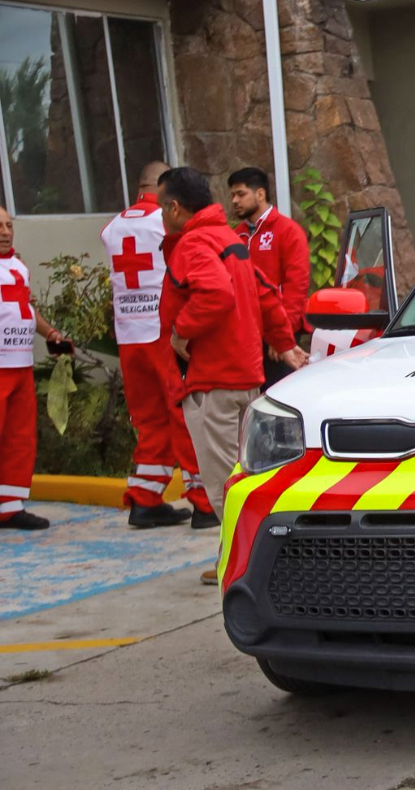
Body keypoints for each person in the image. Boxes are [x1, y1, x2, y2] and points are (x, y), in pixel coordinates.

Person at [156, 168, 308, 584]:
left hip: (212, 382)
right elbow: (265, 295)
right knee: (246, 476)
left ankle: (253, 569)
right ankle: (233, 556)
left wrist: (180, 332)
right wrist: (285, 343)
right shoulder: (229, 239)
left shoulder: (195, 243)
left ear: (174, 207)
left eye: (161, 207)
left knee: (226, 484)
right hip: (245, 378)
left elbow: (216, 294)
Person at [101, 162, 218, 529]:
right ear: (161, 189)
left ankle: (145, 498)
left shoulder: (112, 227)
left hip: (128, 337)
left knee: (150, 421)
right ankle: (203, 502)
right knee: (185, 417)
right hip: (161, 334)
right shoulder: (167, 220)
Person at [0, 205, 66, 530]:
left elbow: (25, 306)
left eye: (9, 224)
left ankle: (9, 507)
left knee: (19, 436)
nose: (5, 231)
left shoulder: (17, 266)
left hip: (20, 362)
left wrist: (51, 333)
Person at [228, 167, 310, 389]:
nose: (235, 200)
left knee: (279, 396)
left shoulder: (287, 231)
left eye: (241, 194)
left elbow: (296, 286)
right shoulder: (236, 235)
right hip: (246, 335)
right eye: (232, 195)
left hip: (277, 333)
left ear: (260, 194)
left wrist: (284, 335)